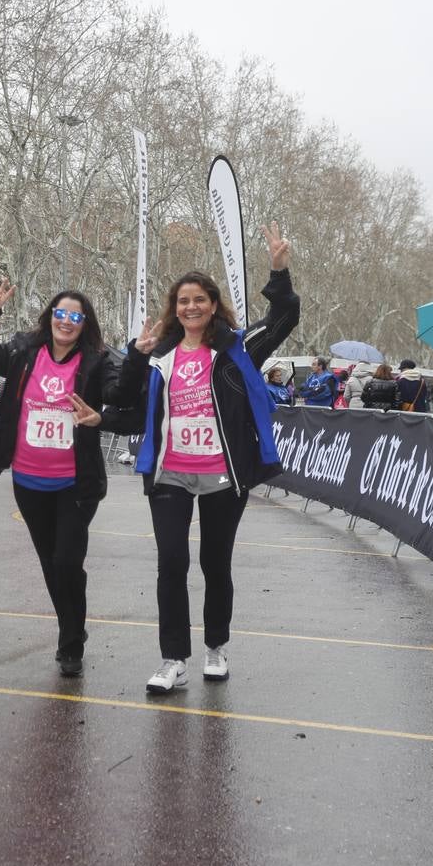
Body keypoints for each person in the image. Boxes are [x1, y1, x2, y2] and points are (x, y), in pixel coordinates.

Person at [119, 222, 300, 693]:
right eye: (183, 301)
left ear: (214, 305)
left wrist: (278, 271)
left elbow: (284, 316)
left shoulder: (238, 347)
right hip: (170, 475)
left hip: (224, 475)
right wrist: (135, 359)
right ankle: (172, 658)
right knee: (171, 561)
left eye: (200, 299)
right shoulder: (159, 353)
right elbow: (126, 400)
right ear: (173, 308)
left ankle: (215, 646)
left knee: (215, 563)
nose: (191, 307)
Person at [0, 282, 138, 677]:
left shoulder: (96, 359)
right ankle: (72, 625)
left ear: (85, 323)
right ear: (50, 317)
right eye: (61, 314)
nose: (67, 322)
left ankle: (70, 642)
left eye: (76, 316)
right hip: (29, 480)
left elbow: (122, 391)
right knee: (51, 563)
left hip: (75, 483)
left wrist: (137, 357)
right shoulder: (23, 351)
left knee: (67, 562)